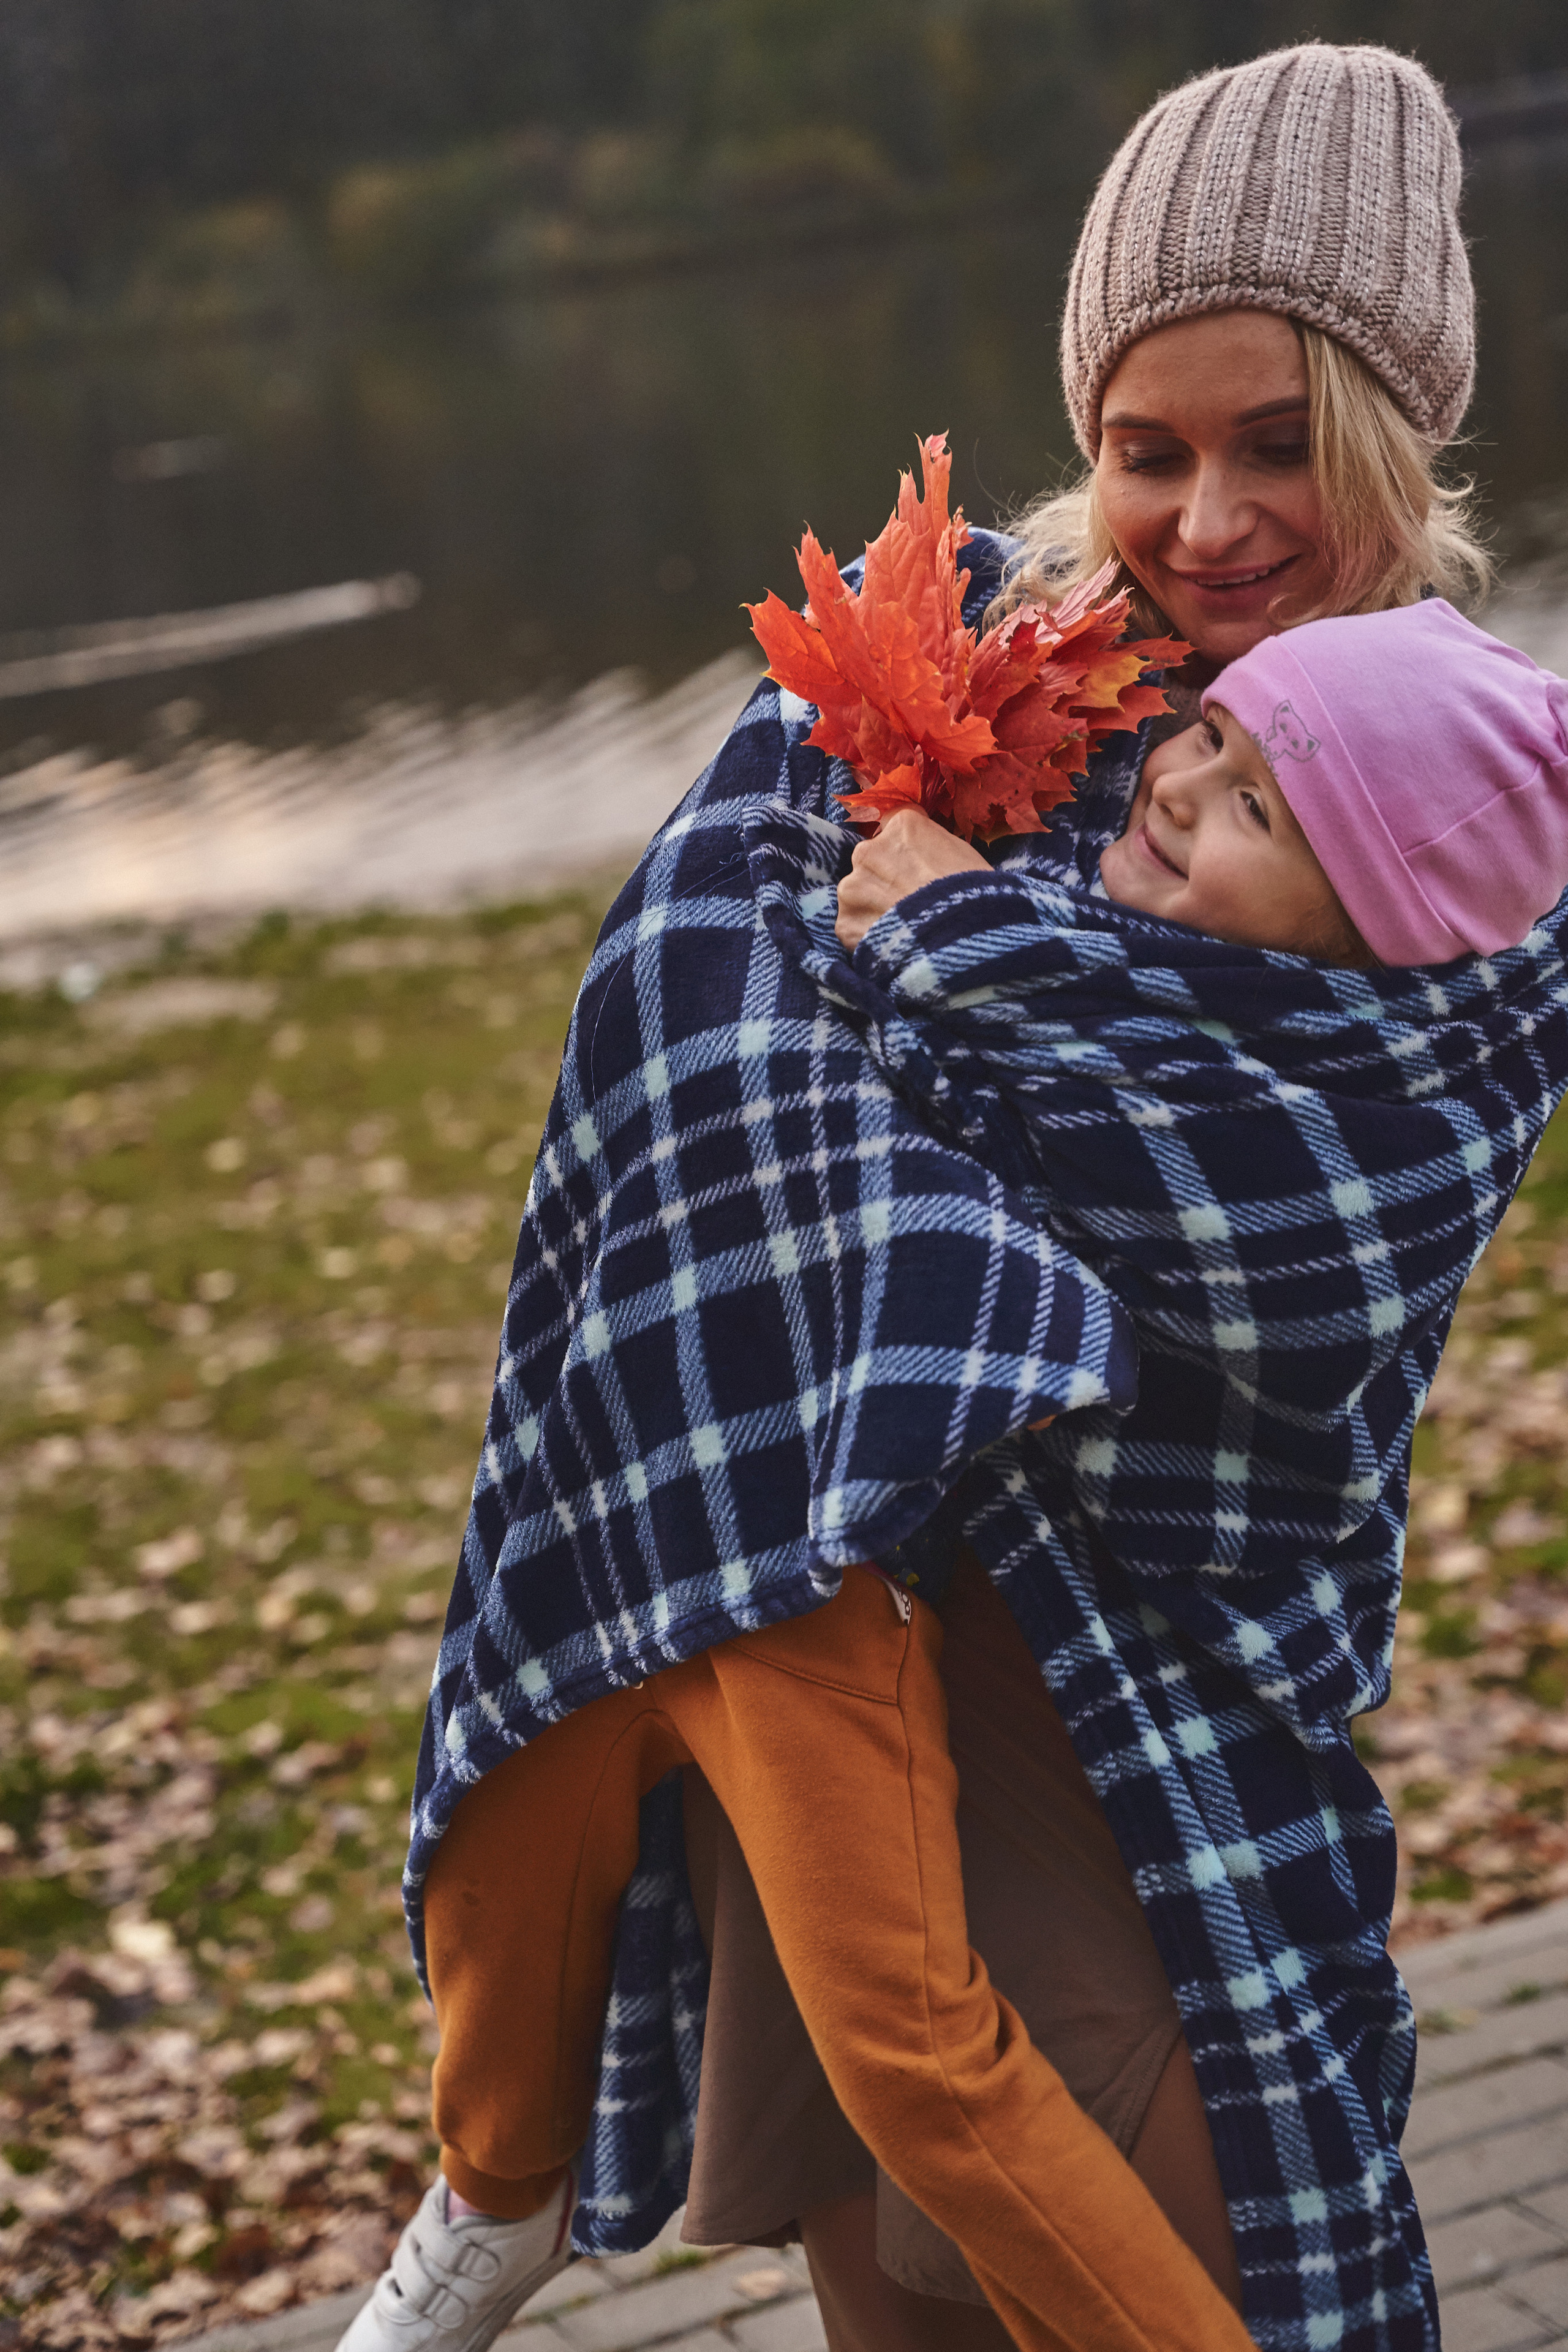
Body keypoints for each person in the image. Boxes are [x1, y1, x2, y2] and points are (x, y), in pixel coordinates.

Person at [338, 40, 1521, 2352]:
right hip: (838, 1557)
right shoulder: (972, 665)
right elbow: (694, 1000)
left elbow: (1314, 1228)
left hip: (1160, 1644)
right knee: (872, 2237)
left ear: (1402, 429)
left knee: (1167, 2217)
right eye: (1146, 449)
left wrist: (963, 957)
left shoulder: (1461, 771)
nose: (1208, 518)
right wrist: (921, 1102)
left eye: (1284, 444)